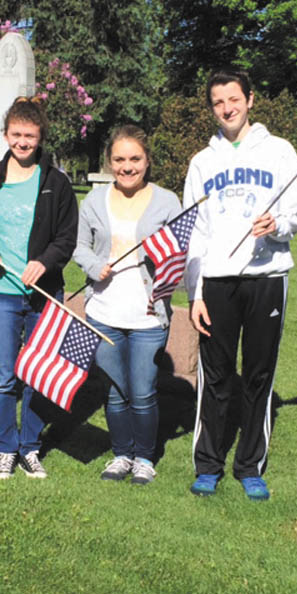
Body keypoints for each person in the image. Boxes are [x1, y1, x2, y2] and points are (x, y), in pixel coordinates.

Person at [183, 69, 297, 500]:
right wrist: (195, 293)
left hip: (266, 277)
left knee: (258, 375)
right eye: (218, 102)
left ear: (250, 99)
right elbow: (194, 232)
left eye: (233, 99)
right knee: (215, 376)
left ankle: (250, 465)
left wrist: (277, 225)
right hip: (216, 282)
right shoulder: (202, 161)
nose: (227, 108)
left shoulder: (279, 151)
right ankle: (208, 465)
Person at [0, 97, 78, 480]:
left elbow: (66, 238)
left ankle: (30, 447)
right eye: (16, 134)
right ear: (5, 135)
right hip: (1, 291)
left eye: (30, 135)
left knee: (37, 374)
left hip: (42, 294)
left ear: (40, 136)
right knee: (2, 376)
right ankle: (5, 448)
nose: (23, 142)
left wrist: (44, 261)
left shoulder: (56, 183)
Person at [73, 125, 181, 485]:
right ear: (109, 162)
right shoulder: (94, 200)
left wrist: (162, 261)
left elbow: (180, 252)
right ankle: (122, 454)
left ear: (147, 161)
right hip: (103, 313)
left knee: (143, 390)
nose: (127, 166)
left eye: (135, 158)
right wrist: (92, 266)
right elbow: (79, 247)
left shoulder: (166, 202)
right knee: (115, 392)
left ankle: (145, 458)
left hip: (148, 316)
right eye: (119, 159)